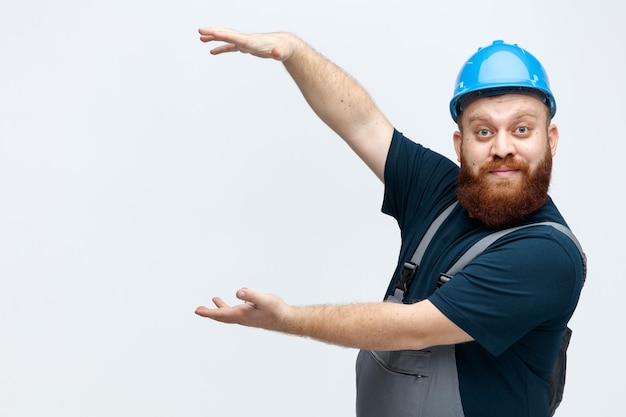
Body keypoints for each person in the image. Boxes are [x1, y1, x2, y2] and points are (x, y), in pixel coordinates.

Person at [194, 28, 585, 417]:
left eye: (521, 129)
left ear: (549, 140)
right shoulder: (439, 193)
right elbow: (362, 123)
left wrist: (290, 319)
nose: (502, 147)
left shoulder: (548, 255)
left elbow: (413, 328)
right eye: (483, 131)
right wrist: (294, 52)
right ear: (460, 144)